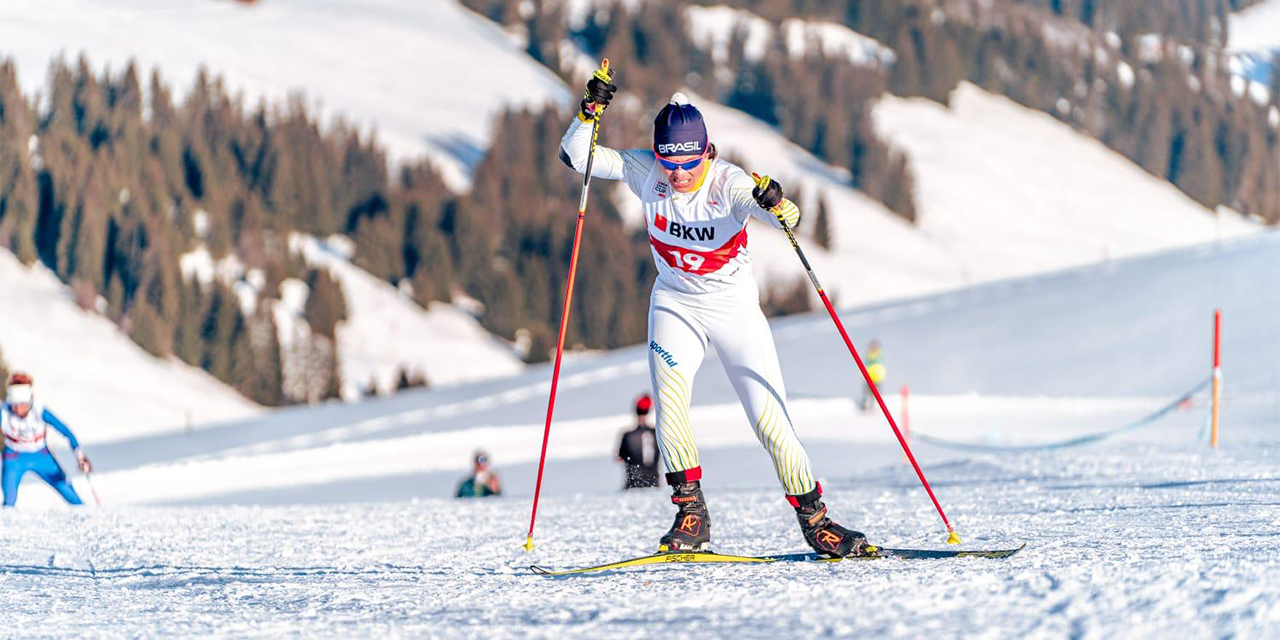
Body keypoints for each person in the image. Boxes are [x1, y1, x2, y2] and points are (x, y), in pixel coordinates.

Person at [558, 73, 868, 557]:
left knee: (770, 421)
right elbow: (578, 157)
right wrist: (587, 115)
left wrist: (776, 202)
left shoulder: (728, 183)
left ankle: (817, 522)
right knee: (670, 404)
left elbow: (787, 220)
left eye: (688, 161)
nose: (678, 173)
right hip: (675, 302)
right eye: (669, 161)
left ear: (706, 152)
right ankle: (690, 514)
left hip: (733, 308)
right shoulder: (647, 172)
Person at [1, 372, 92, 507]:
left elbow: (65, 431)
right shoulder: (3, 411)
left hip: (41, 455)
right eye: (14, 405)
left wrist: (80, 456)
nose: (18, 409)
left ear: (29, 401)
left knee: (69, 493)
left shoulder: (39, 410)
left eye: (22, 404)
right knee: (9, 502)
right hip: (14, 457)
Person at [617, 393, 660, 489]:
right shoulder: (656, 433)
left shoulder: (628, 435)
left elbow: (619, 457)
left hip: (633, 483)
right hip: (653, 482)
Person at [860, 340, 887, 412]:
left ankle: (873, 406)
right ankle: (866, 405)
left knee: (875, 393)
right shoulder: (868, 355)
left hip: (877, 377)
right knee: (867, 392)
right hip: (869, 376)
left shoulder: (879, 355)